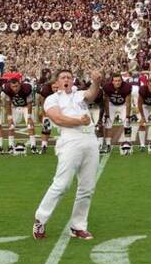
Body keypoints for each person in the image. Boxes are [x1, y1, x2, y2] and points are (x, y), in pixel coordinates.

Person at [33, 68, 104, 242]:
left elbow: (91, 95)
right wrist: (79, 121)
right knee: (62, 184)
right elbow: (58, 119)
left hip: (90, 139)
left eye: (69, 77)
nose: (67, 79)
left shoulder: (78, 94)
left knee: (87, 187)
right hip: (70, 141)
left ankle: (78, 226)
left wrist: (96, 82)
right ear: (55, 83)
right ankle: (40, 219)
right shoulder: (52, 99)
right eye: (63, 77)